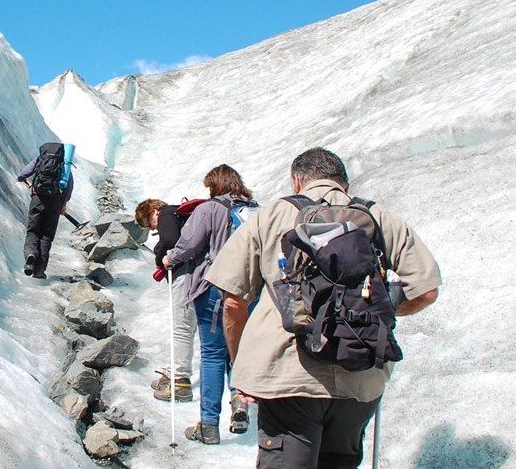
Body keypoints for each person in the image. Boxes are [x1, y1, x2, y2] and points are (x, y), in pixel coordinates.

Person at [206, 148, 441, 468]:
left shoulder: (273, 214)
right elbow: (426, 292)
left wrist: (241, 365)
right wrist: (378, 310)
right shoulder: (377, 217)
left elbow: (233, 297)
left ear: (297, 180)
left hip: (287, 374)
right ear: (343, 183)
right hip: (360, 373)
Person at [162, 164, 258, 445]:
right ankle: (240, 406)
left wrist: (170, 259)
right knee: (238, 351)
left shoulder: (209, 208)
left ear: (214, 185)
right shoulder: (255, 209)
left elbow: (189, 244)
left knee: (213, 354)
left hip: (216, 287)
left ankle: (208, 425)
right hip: (251, 290)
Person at [135, 199, 197, 402]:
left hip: (185, 274)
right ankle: (175, 371)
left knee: (182, 326)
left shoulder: (167, 213)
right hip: (195, 273)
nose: (152, 227)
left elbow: (170, 240)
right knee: (185, 325)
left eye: (147, 223)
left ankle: (180, 380)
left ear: (151, 211)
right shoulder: (179, 215)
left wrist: (157, 254)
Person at [17, 144, 74, 279]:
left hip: (37, 199)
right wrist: (63, 204)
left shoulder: (39, 160)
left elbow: (21, 175)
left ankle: (30, 255)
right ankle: (39, 272)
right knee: (46, 237)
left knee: (33, 232)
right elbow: (69, 187)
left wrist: (27, 182)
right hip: (55, 202)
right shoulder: (64, 165)